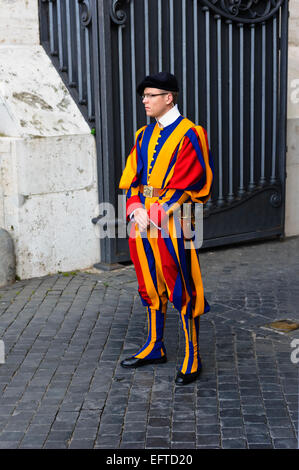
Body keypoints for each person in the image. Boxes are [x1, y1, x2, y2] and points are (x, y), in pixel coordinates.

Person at [119, 72, 214, 385]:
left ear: (169, 97)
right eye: (144, 96)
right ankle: (154, 346)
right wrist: (134, 208)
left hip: (174, 220)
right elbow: (132, 177)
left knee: (181, 282)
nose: (144, 101)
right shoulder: (142, 135)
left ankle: (192, 354)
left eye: (151, 95)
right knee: (148, 280)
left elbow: (192, 178)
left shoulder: (191, 133)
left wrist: (155, 212)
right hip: (142, 219)